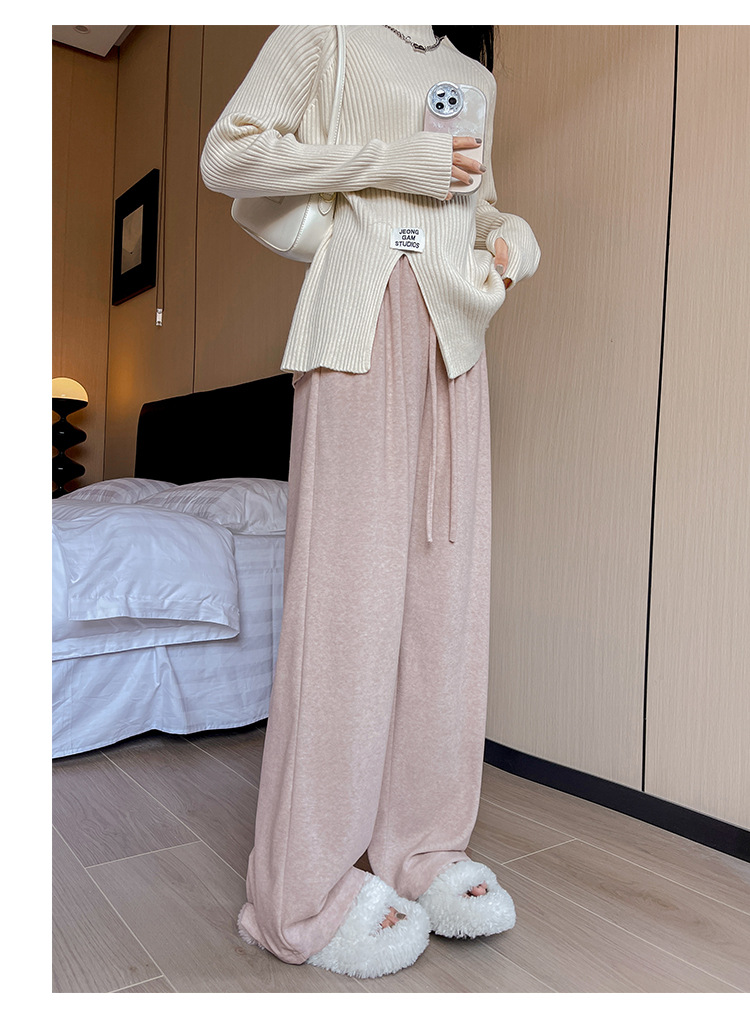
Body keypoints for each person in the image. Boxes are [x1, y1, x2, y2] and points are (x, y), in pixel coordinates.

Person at [200, 23, 541, 980]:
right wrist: (393, 160)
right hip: (357, 319)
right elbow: (231, 157)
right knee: (345, 609)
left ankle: (420, 849)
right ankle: (299, 892)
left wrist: (506, 237)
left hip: (456, 337)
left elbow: (475, 199)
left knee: (445, 608)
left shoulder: (471, 74)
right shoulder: (327, 29)